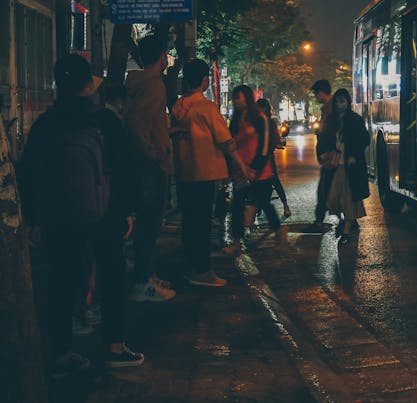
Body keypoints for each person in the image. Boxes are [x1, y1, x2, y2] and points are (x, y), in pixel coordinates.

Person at [20, 55, 144, 379]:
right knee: (112, 276)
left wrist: (34, 219)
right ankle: (115, 347)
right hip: (105, 214)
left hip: (59, 217)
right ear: (88, 84)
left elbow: (30, 173)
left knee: (60, 281)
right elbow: (124, 168)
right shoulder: (105, 120)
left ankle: (61, 353)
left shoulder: (46, 124)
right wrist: (127, 211)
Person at [171, 59, 248, 287]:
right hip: (204, 173)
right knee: (203, 224)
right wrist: (242, 166)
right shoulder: (207, 108)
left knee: (190, 222)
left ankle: (191, 267)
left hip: (184, 172)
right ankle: (203, 272)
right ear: (205, 81)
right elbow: (225, 141)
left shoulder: (178, 107)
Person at [125, 35, 176, 302]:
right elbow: (137, 122)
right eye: (166, 53)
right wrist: (155, 152)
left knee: (145, 225)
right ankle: (143, 283)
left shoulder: (135, 83)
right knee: (149, 225)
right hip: (150, 166)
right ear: (161, 57)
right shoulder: (155, 85)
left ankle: (146, 275)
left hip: (139, 164)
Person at [222, 86, 287, 256]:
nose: (236, 101)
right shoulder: (235, 121)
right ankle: (236, 242)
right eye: (234, 97)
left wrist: (255, 168)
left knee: (264, 204)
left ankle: (279, 231)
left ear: (247, 99)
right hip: (240, 172)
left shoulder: (260, 119)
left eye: (239, 97)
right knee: (236, 207)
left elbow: (265, 147)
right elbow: (231, 146)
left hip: (260, 173)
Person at [325, 89, 369, 245]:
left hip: (350, 168)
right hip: (335, 165)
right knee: (332, 198)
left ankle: (346, 230)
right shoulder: (331, 121)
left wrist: (354, 156)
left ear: (348, 102)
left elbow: (365, 139)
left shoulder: (355, 120)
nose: (339, 105)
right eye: (337, 101)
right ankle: (345, 221)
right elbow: (325, 140)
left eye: (342, 101)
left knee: (349, 199)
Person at [256, 98, 290, 218]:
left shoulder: (268, 122)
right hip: (258, 158)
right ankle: (259, 208)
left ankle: (285, 206)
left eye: (258, 108)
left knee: (274, 181)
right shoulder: (258, 121)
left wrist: (276, 143)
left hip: (266, 158)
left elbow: (274, 138)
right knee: (263, 183)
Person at [311, 79, 334, 233]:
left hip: (330, 156)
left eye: (316, 94)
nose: (315, 97)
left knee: (326, 189)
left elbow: (330, 133)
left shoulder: (331, 109)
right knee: (330, 188)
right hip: (329, 155)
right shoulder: (328, 108)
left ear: (321, 92)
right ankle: (348, 220)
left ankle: (319, 220)